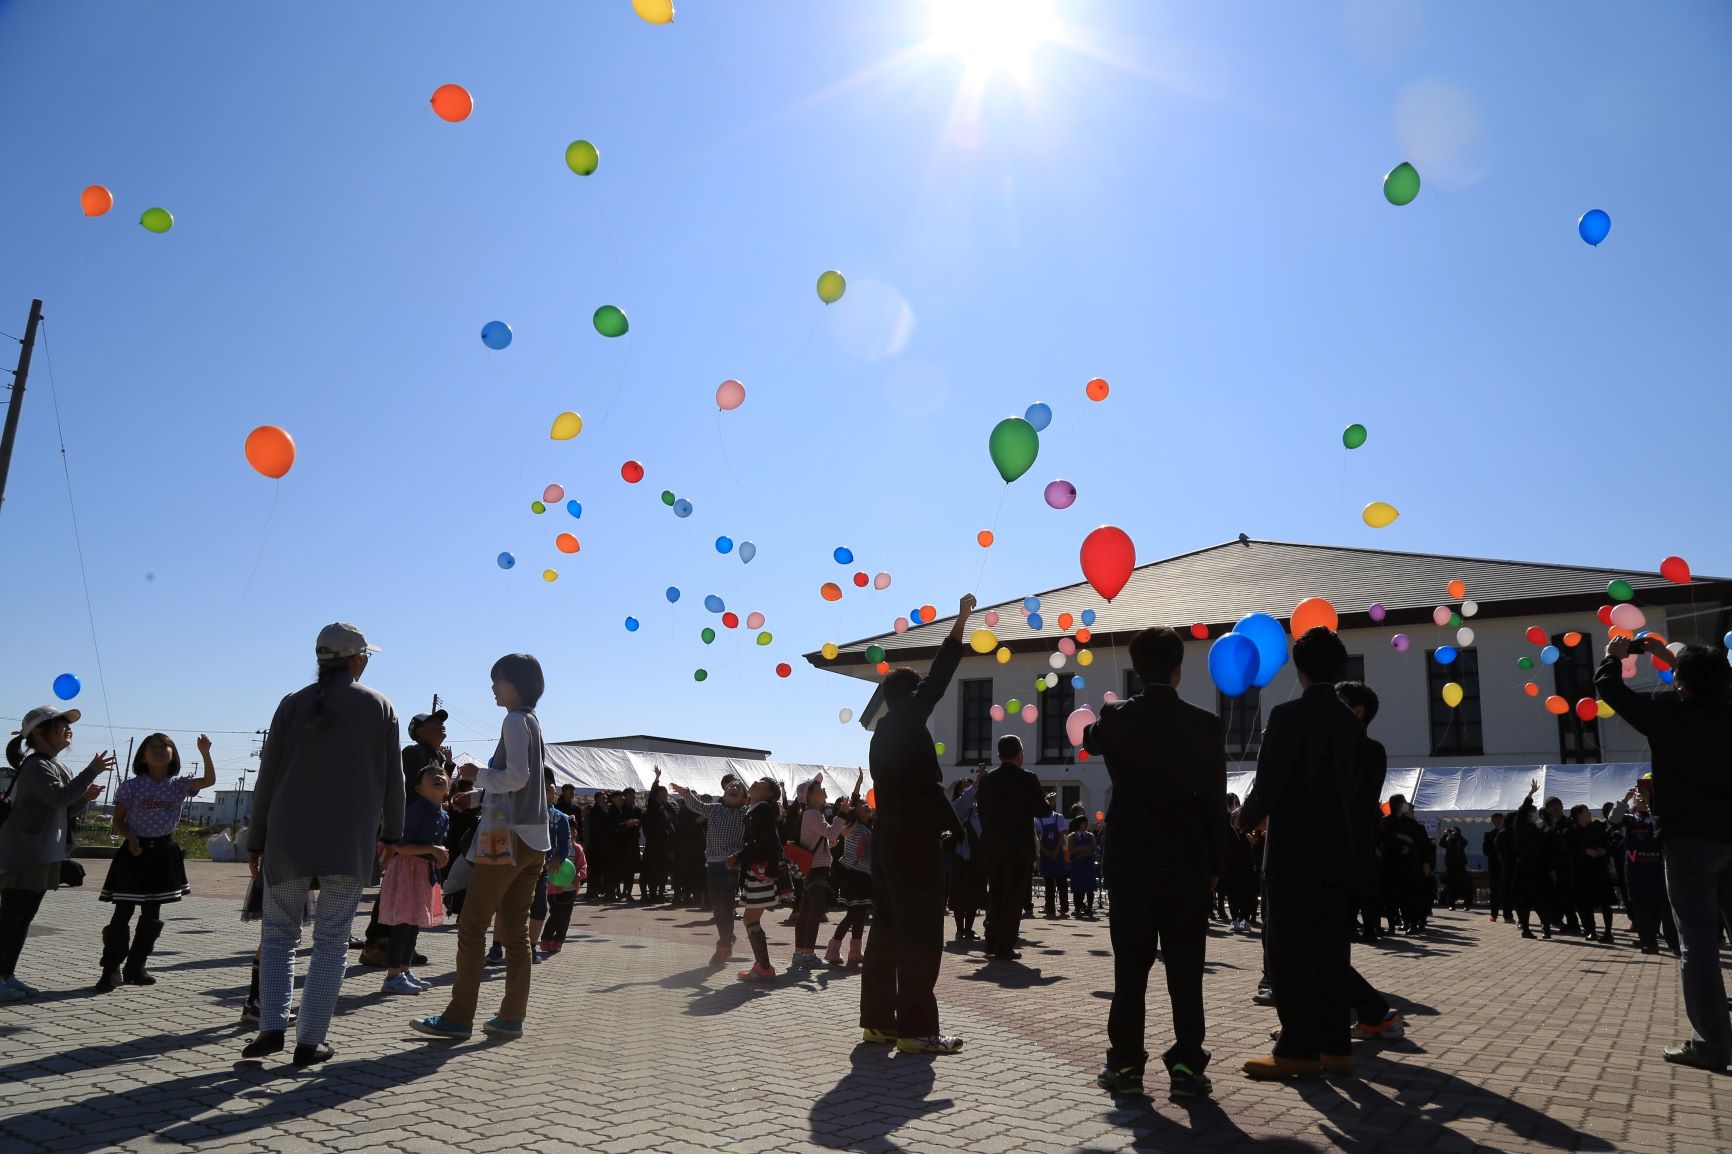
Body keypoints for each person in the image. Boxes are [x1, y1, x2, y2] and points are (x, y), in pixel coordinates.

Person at [244, 623, 403, 1066]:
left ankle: (271, 1028)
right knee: (332, 942)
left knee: (278, 937)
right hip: (348, 842)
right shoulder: (379, 706)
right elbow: (394, 780)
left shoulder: (290, 704)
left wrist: (256, 840)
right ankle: (310, 1040)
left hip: (286, 839)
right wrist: (392, 833)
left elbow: (267, 779)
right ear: (357, 660)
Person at [1083, 626, 1227, 1099]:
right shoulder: (1205, 724)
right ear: (1178, 669)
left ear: (1137, 670)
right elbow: (1213, 801)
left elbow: (1092, 738)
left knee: (1131, 968)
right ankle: (1188, 1064)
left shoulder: (1117, 715)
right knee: (1186, 969)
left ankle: (1125, 1065)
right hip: (1187, 859)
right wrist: (1215, 863)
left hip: (1131, 860)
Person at [1596, 636, 1732, 1071]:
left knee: (1698, 942)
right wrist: (1666, 654)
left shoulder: (1669, 712)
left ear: (1680, 682)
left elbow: (1611, 690)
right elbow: (1704, 680)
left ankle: (1711, 1043)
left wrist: (1614, 658)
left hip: (1688, 839)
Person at [1237, 626, 1360, 1080]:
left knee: (1287, 950)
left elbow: (1268, 783)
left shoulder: (1287, 715)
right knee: (1331, 950)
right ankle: (1336, 1046)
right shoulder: (1351, 722)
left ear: (1299, 667)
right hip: (1336, 847)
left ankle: (1297, 1048)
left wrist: (1242, 821)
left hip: (1292, 850)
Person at [411, 653, 549, 1043]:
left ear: (516, 684)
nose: (493, 687)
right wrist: (475, 797)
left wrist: (477, 774)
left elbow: (516, 778)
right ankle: (511, 1016)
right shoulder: (533, 723)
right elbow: (525, 784)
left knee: (472, 927)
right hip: (534, 840)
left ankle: (458, 1017)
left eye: (498, 680)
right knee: (517, 932)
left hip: (505, 842)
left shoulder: (514, 720)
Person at [860, 592, 975, 1055]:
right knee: (923, 932)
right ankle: (917, 1030)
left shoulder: (881, 734)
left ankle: (878, 1024)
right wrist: (963, 618)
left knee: (886, 930)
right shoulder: (908, 717)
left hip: (887, 842)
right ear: (909, 697)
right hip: (914, 844)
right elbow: (941, 675)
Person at [0, 706, 114, 1000]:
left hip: (42, 852)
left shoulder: (53, 766)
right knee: (13, 918)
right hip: (25, 853)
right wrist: (91, 772)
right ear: (39, 731)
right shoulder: (37, 765)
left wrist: (85, 796)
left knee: (21, 917)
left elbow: (64, 808)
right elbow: (57, 797)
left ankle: (7, 975)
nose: (68, 730)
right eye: (61, 724)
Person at [93, 732, 217, 992]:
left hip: (163, 853)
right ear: (143, 755)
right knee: (122, 912)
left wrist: (205, 752)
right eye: (152, 747)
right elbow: (118, 820)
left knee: (152, 914)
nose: (159, 750)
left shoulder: (179, 784)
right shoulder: (132, 785)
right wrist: (131, 839)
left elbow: (209, 780)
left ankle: (136, 967)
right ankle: (111, 967)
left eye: (165, 746)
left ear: (173, 753)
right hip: (134, 852)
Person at [1332, 681, 1406, 1044]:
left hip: (1342, 860)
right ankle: (1359, 1016)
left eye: (1339, 702)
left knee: (1320, 946)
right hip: (1335, 858)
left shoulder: (1367, 750)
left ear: (1357, 711)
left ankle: (1375, 1013)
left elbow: (1349, 804)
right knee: (1325, 945)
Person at [378, 764, 450, 995]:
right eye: (431, 775)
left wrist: (436, 855)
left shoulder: (443, 815)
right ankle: (392, 976)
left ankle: (404, 970)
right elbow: (400, 846)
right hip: (407, 872)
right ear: (418, 788)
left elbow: (433, 847)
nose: (438, 777)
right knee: (402, 925)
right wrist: (432, 849)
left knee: (413, 926)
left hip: (424, 873)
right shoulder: (416, 810)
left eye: (442, 775)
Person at [976, 734, 1047, 961]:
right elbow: (1042, 810)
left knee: (995, 893)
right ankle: (1005, 945)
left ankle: (991, 939)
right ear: (1020, 754)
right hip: (1019, 846)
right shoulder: (1028, 778)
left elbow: (982, 812)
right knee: (1014, 896)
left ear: (999, 755)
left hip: (994, 846)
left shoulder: (987, 780)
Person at [672, 775, 749, 964]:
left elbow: (765, 815)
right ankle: (727, 938)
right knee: (717, 906)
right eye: (731, 785)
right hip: (713, 864)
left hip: (731, 865)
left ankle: (724, 944)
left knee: (727, 906)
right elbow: (698, 806)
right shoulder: (715, 809)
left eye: (739, 787)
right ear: (724, 792)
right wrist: (686, 793)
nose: (734, 787)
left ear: (744, 798)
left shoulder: (745, 813)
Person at [1607, 779, 1678, 955]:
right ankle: (1649, 942)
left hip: (1659, 869)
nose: (1642, 800)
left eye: (1645, 797)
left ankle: (1675, 943)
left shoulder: (1657, 818)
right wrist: (1625, 800)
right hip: (1636, 871)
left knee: (1665, 906)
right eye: (1639, 797)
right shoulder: (1629, 819)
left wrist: (1651, 807)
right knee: (1641, 907)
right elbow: (1613, 819)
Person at [791, 773, 851, 970]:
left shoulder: (810, 814)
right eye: (817, 787)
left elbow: (827, 838)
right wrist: (842, 814)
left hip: (813, 868)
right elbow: (831, 833)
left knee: (806, 912)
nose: (822, 788)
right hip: (816, 869)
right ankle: (808, 954)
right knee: (814, 912)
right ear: (809, 796)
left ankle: (800, 953)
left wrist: (833, 836)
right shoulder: (813, 814)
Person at [736, 777, 787, 982]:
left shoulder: (762, 810)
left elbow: (772, 843)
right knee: (750, 918)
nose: (755, 783)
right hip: (759, 871)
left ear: (769, 794)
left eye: (761, 782)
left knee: (750, 918)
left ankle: (764, 967)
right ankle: (762, 966)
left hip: (762, 873)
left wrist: (771, 871)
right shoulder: (757, 810)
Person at [825, 786, 874, 966]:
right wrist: (858, 788)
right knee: (852, 915)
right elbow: (851, 808)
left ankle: (855, 952)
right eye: (862, 805)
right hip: (853, 875)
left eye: (868, 805)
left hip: (865, 876)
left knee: (860, 915)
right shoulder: (853, 825)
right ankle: (833, 950)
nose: (866, 806)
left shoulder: (870, 829)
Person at [1564, 805, 1615, 942]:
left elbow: (1608, 843)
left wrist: (1604, 851)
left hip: (1599, 870)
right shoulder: (1571, 832)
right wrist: (1585, 852)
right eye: (1586, 812)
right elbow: (1568, 851)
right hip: (1581, 872)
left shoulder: (1597, 827)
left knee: (1605, 903)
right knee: (1583, 903)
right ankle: (1590, 930)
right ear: (1579, 815)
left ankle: (1608, 933)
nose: (1589, 814)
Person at [947, 771, 986, 940]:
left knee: (974, 894)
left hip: (977, 856)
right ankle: (959, 929)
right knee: (959, 894)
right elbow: (962, 804)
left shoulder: (979, 809)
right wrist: (975, 784)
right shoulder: (956, 806)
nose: (969, 791)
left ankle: (969, 929)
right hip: (961, 855)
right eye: (965, 788)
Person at [1513, 784, 1554, 939]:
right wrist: (1530, 794)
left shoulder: (1538, 829)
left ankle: (1546, 928)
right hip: (1524, 866)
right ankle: (1526, 929)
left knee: (1541, 899)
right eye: (1532, 813)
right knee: (1524, 899)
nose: (1534, 815)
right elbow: (1522, 810)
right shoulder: (1521, 826)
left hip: (1538, 867)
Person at [640, 772, 676, 903]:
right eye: (661, 793)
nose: (664, 795)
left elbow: (673, 820)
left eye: (665, 793)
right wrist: (656, 779)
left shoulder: (668, 807)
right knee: (652, 869)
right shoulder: (653, 806)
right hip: (655, 843)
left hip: (666, 843)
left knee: (663, 869)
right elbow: (652, 795)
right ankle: (651, 894)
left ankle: (660, 893)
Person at [1035, 795, 1070, 918]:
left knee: (1061, 882)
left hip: (1058, 853)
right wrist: (1045, 851)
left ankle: (1064, 907)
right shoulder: (1038, 819)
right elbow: (1039, 838)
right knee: (1048, 882)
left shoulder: (1058, 817)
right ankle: (1049, 907)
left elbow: (1062, 835)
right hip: (1046, 853)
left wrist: (1055, 851)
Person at [1067, 816, 1099, 919]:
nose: (1085, 824)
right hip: (1077, 865)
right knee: (1077, 888)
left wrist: (1079, 851)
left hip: (1087, 865)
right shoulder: (1072, 836)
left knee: (1089, 888)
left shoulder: (1090, 836)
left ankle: (1089, 907)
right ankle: (1077, 908)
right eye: (1083, 822)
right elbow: (1071, 850)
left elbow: (1092, 848)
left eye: (1086, 822)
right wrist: (1085, 849)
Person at [1439, 827, 1471, 911]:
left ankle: (1467, 905)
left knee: (1464, 886)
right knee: (1450, 886)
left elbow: (1465, 842)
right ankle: (1451, 905)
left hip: (1460, 865)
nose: (1452, 832)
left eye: (1454, 831)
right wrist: (1446, 833)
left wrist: (1457, 834)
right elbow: (1441, 843)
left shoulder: (1460, 840)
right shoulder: (1448, 840)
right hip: (1450, 866)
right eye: (1451, 831)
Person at [1483, 814, 1507, 923]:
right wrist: (1495, 855)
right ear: (1493, 821)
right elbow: (1486, 850)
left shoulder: (1509, 833)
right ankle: (1494, 914)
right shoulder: (1488, 835)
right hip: (1494, 866)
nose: (1498, 821)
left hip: (1507, 865)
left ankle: (1508, 914)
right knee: (1495, 890)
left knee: (1507, 890)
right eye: (1496, 820)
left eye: (1500, 819)